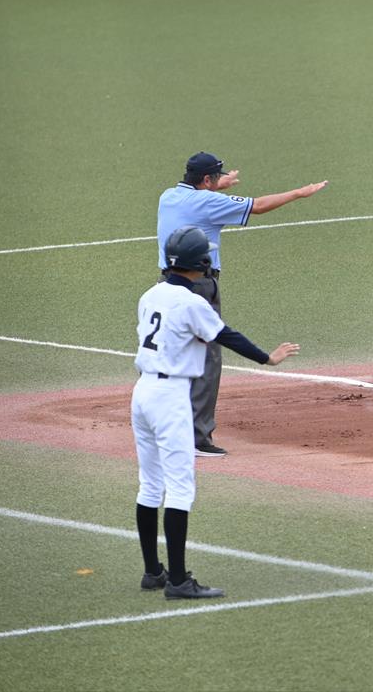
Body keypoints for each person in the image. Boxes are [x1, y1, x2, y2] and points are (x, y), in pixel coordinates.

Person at [133, 226, 299, 599]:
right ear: (202, 263)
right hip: (171, 396)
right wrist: (268, 358)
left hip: (142, 392)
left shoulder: (150, 294)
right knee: (180, 487)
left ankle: (152, 572)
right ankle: (178, 581)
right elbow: (226, 335)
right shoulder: (192, 303)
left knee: (150, 484)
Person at [156, 151, 327, 457]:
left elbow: (198, 199)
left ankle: (164, 428)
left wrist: (218, 187)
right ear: (206, 180)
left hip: (166, 284)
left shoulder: (168, 196)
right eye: (216, 177)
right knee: (207, 358)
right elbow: (257, 206)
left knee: (172, 354)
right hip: (198, 285)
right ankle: (197, 439)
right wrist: (300, 193)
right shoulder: (208, 202)